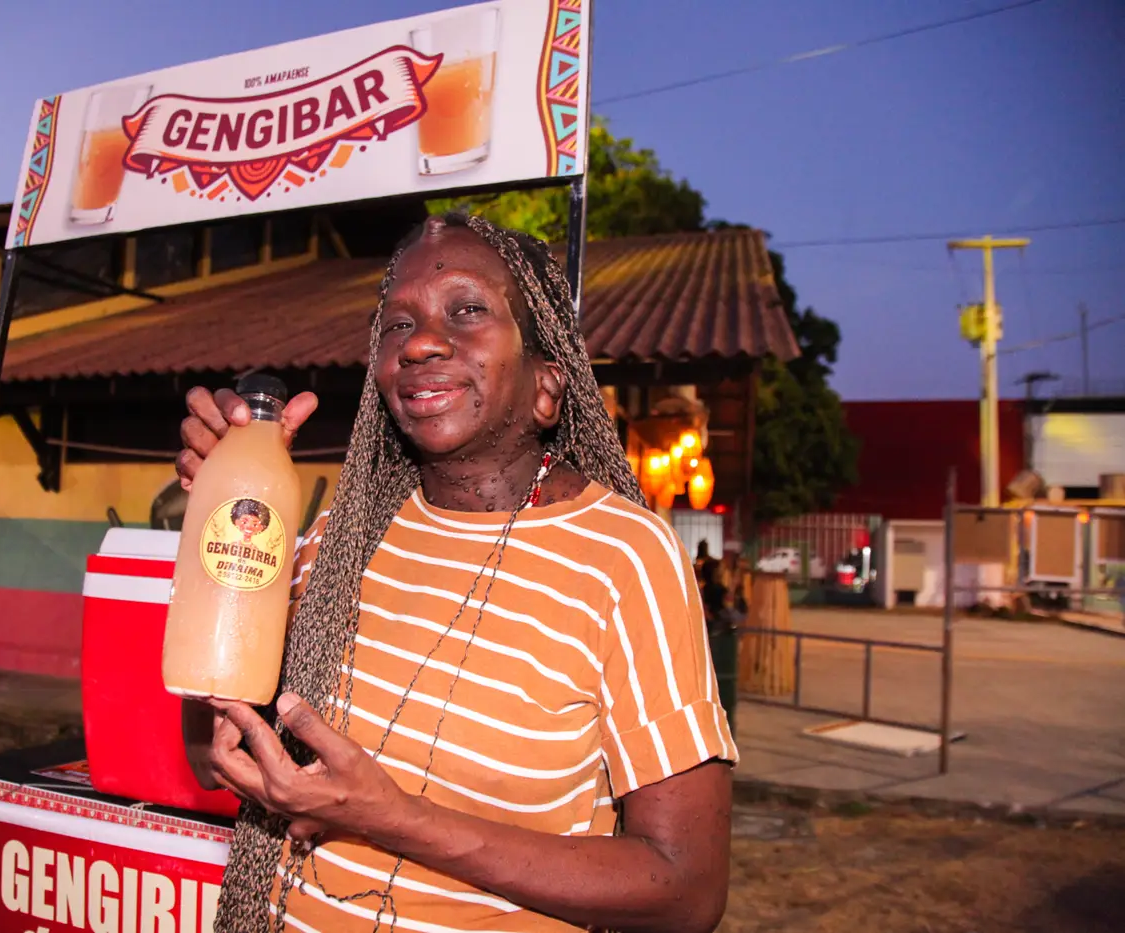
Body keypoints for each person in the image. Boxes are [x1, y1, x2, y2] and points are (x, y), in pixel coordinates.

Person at [177, 213, 736, 933]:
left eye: (467, 310)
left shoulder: (626, 556)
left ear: (547, 386)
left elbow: (687, 889)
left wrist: (392, 818)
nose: (420, 343)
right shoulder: (336, 541)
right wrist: (222, 516)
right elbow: (208, 754)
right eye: (396, 325)